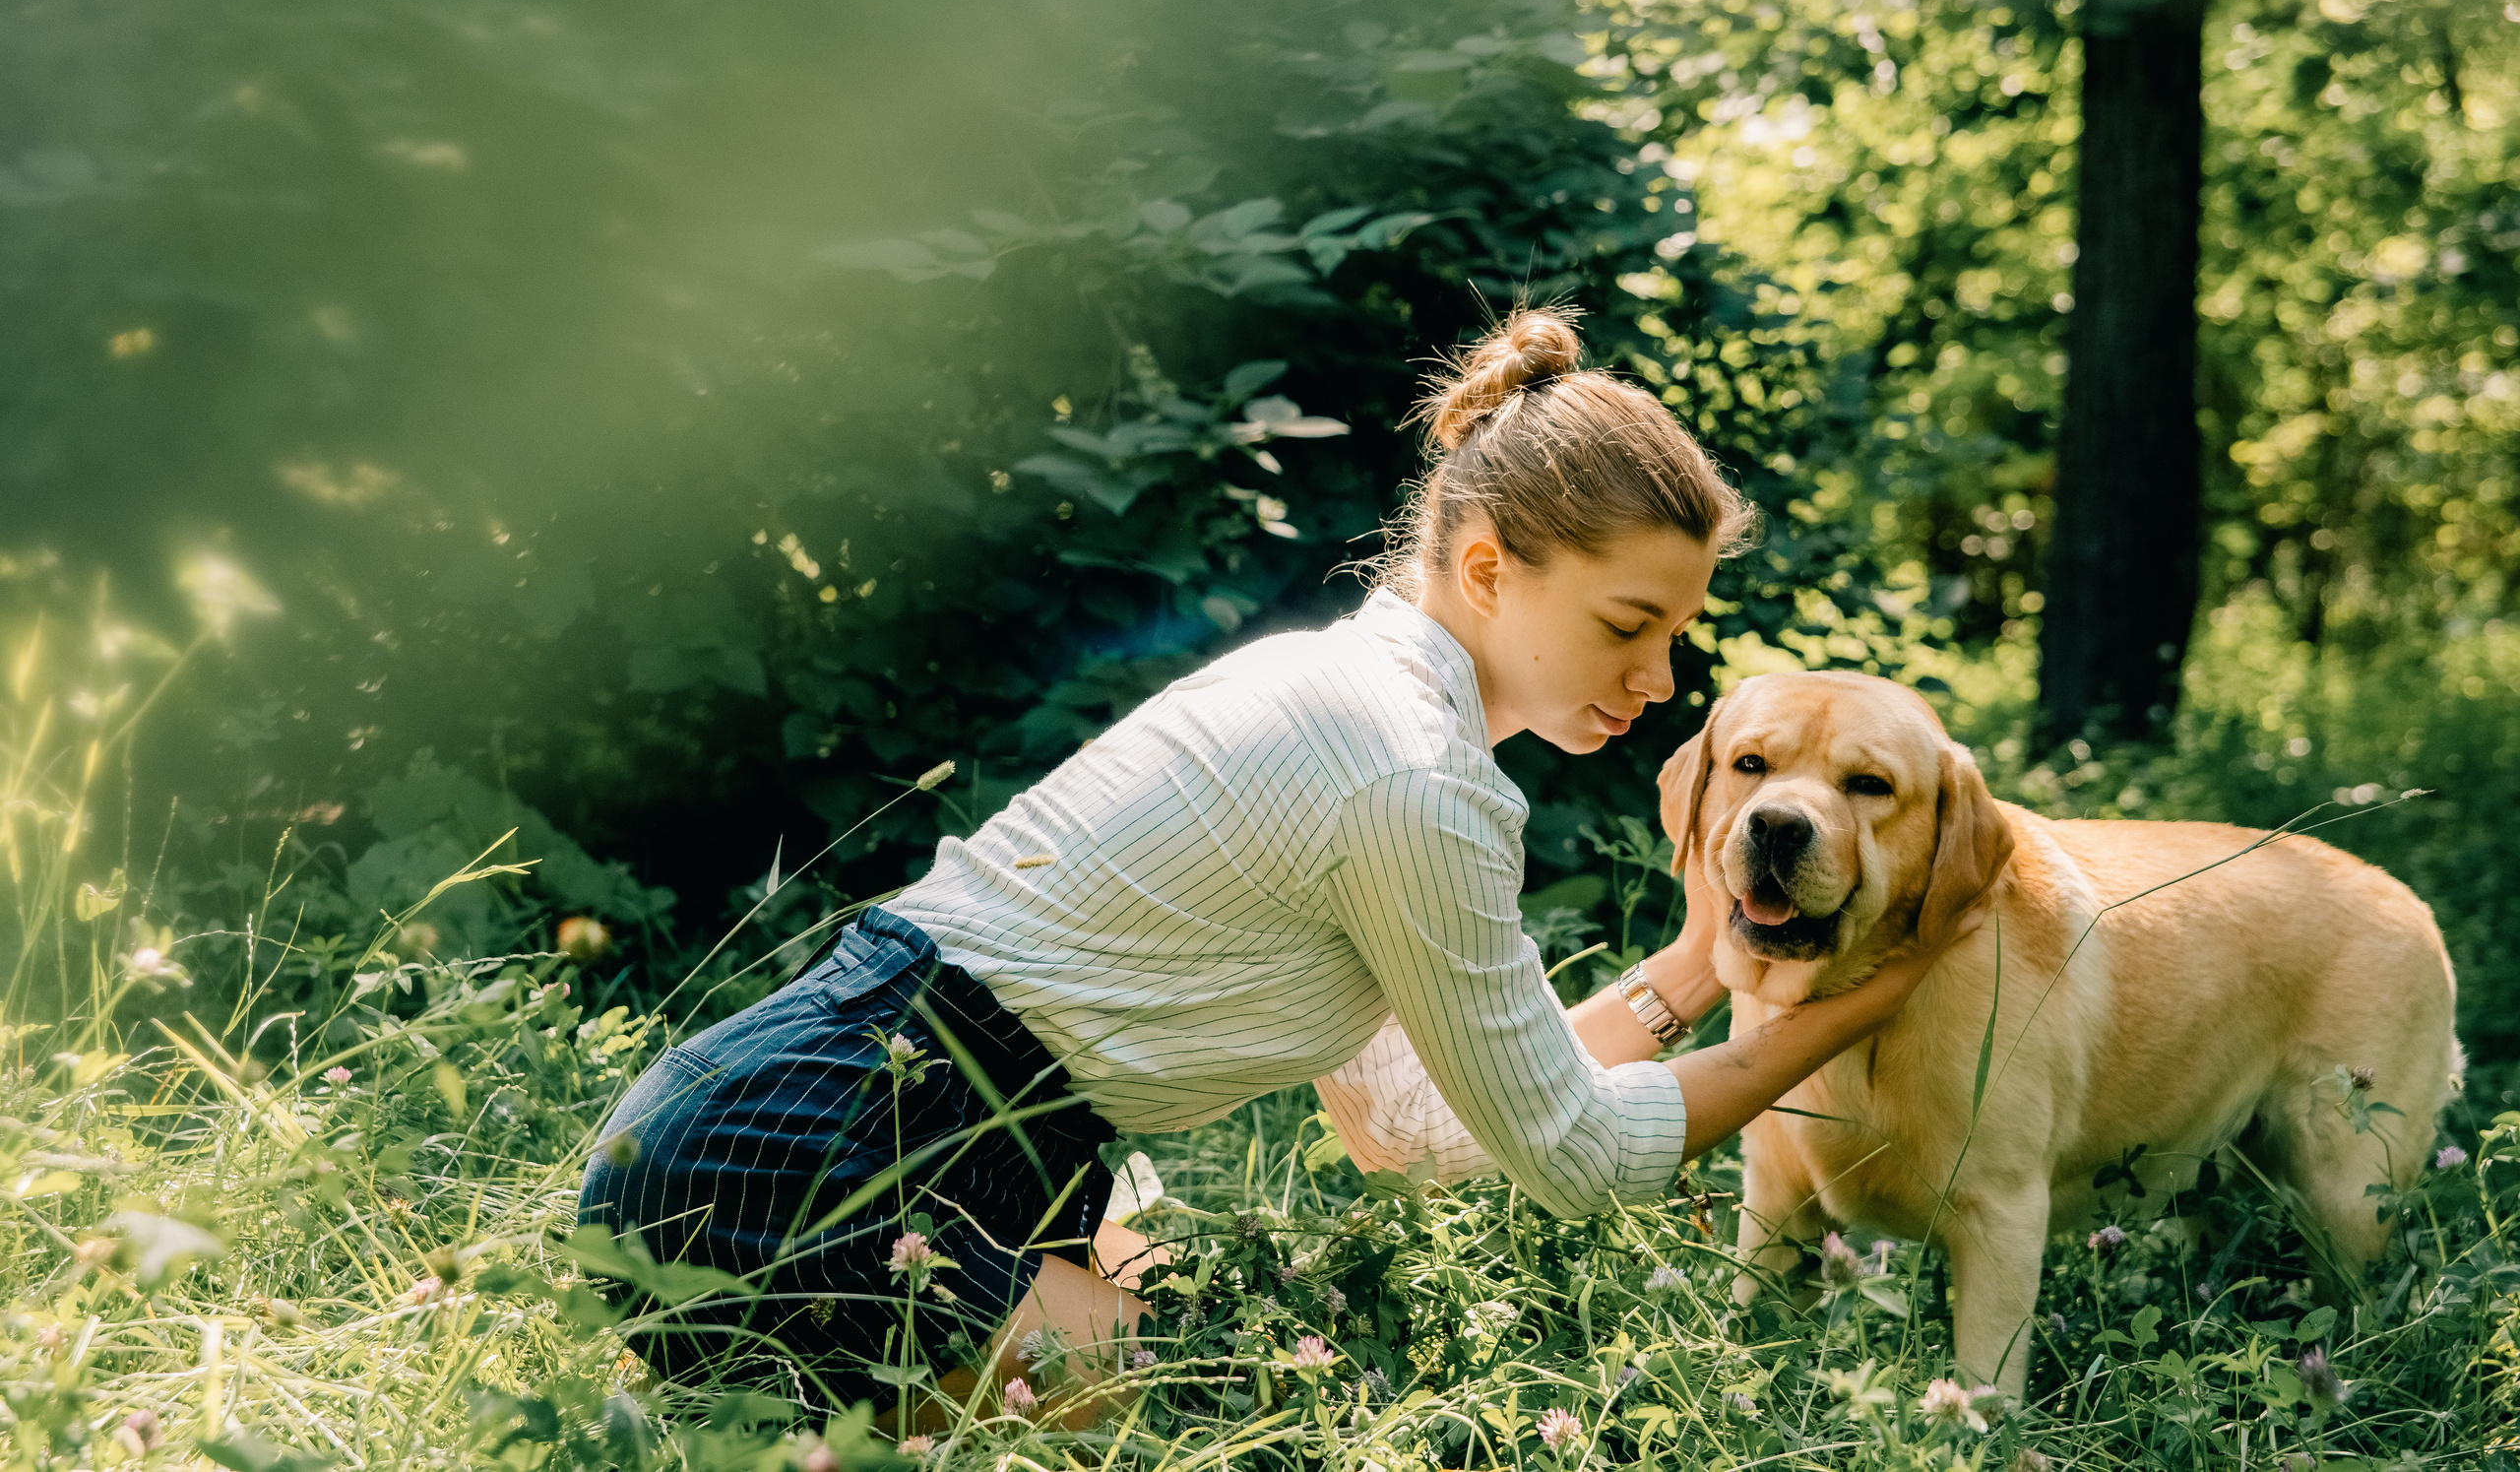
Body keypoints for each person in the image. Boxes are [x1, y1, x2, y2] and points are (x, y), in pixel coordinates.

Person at [577, 306, 1987, 1423]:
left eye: (1677, 633)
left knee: (1281, 1361)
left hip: (838, 1139)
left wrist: (1692, 967)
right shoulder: (1408, 771)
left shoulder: (1358, 705)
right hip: (799, 1164)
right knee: (1251, 1410)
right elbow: (1574, 1154)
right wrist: (1860, 996)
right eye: (1630, 622)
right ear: (1490, 570)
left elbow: (1418, 1130)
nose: (1662, 678)